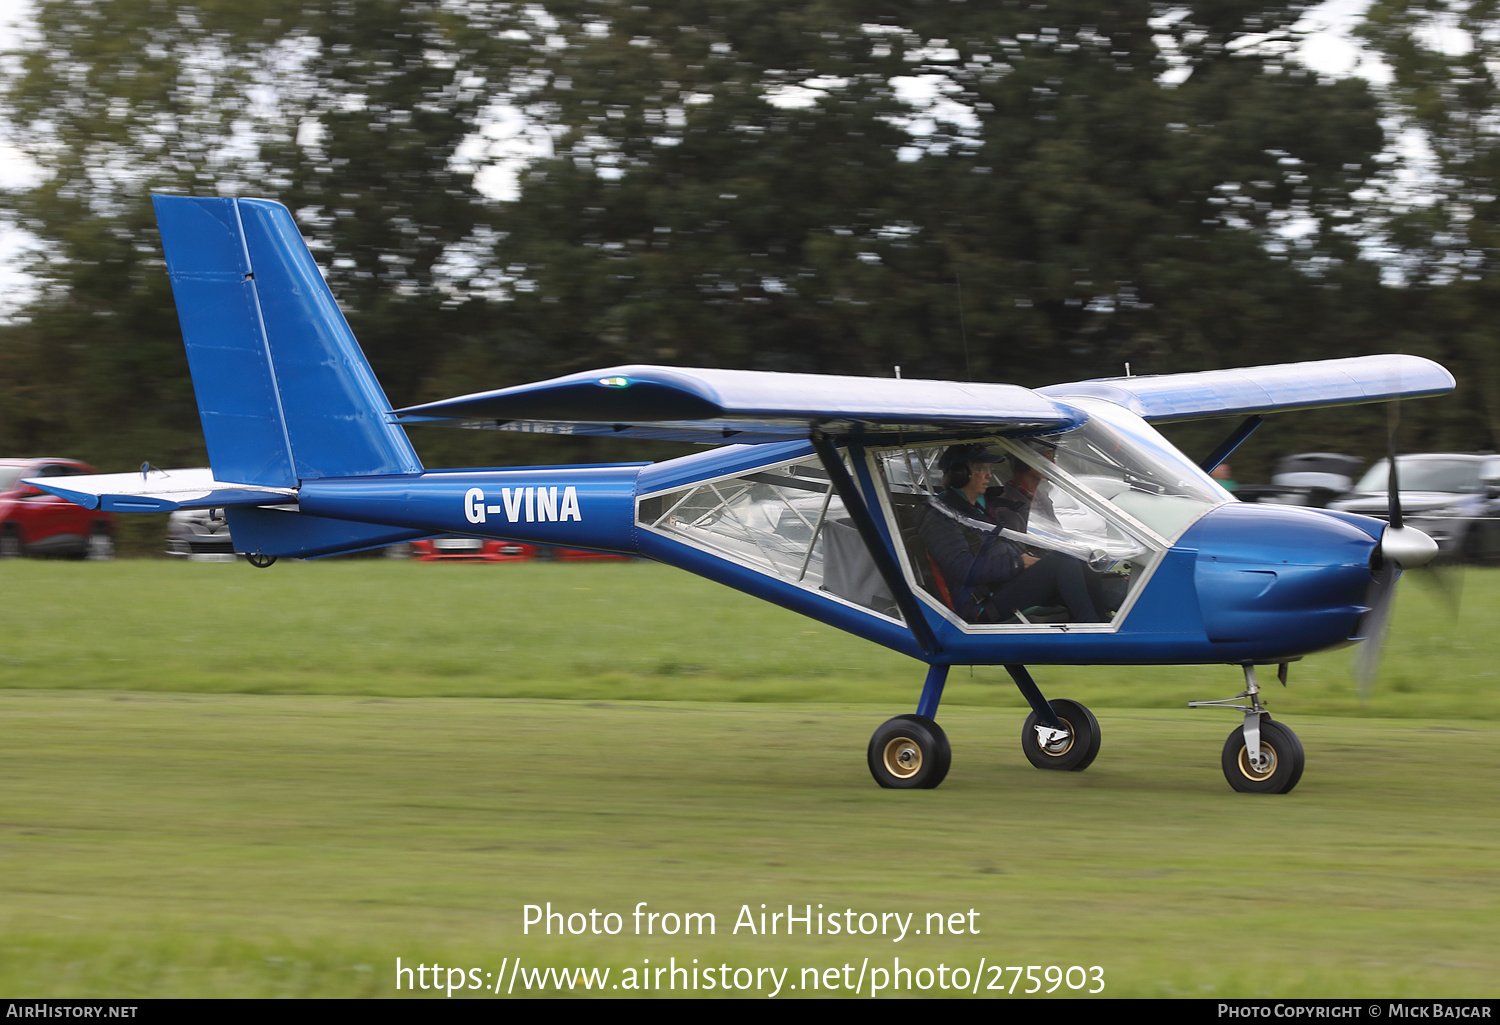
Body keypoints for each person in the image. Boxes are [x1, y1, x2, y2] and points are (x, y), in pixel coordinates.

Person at [919, 443, 1105, 624]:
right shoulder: (941, 516)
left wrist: (1028, 558)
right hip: (982, 605)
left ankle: (1103, 624)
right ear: (960, 475)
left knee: (1080, 556)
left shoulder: (975, 510)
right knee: (1063, 561)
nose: (989, 476)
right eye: (981, 469)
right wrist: (1017, 563)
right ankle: (1092, 629)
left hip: (1003, 585)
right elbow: (962, 569)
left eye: (988, 469)